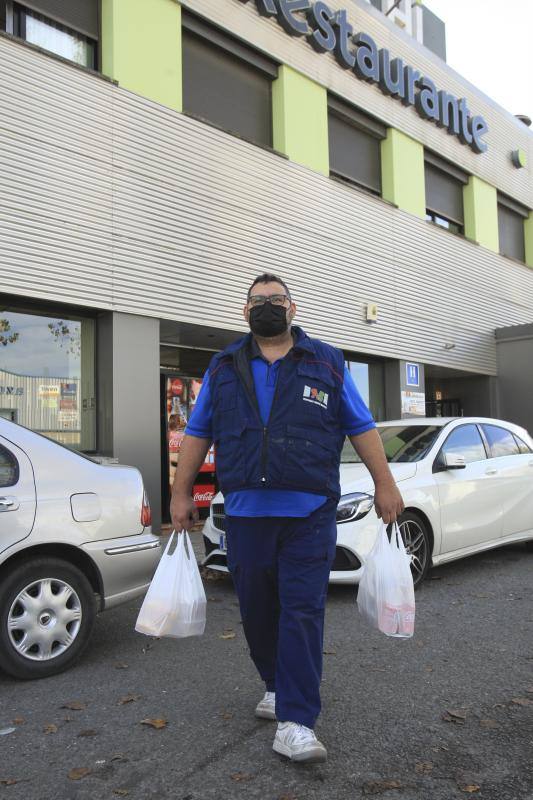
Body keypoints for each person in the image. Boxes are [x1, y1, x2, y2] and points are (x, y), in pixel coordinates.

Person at [170, 274, 404, 764]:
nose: (267, 307)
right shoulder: (223, 365)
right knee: (256, 609)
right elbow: (197, 431)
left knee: (302, 610)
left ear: (293, 309)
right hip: (246, 515)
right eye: (258, 301)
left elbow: (360, 426)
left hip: (310, 514)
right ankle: (275, 685)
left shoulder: (326, 361)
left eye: (276, 300)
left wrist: (385, 483)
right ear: (244, 311)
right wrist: (180, 492)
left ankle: (297, 721)